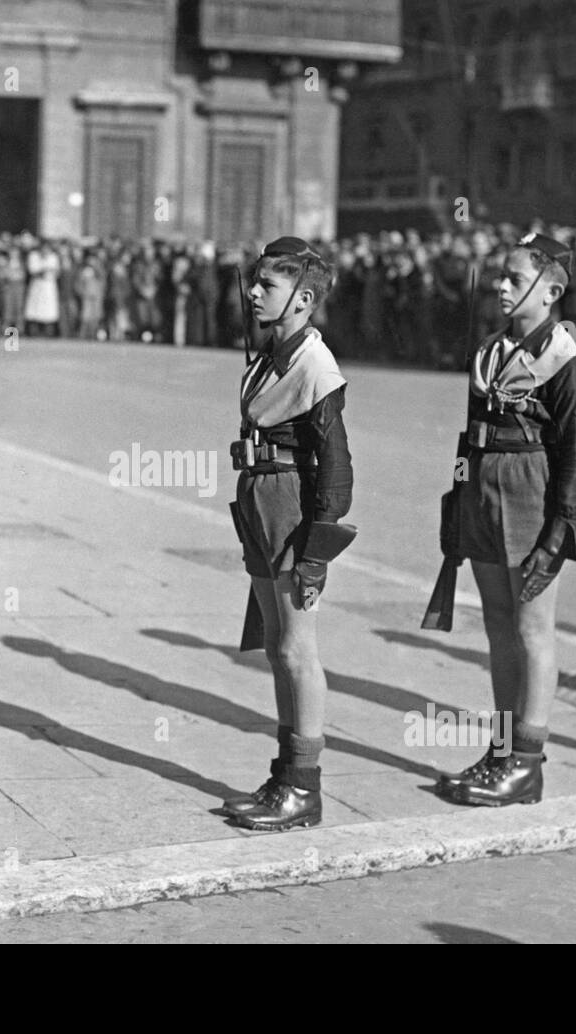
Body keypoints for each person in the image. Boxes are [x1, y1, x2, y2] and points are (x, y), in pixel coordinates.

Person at [432, 232, 576, 807]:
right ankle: (501, 749)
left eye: (515, 279)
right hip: (482, 490)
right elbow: (467, 436)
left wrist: (562, 529)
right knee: (498, 625)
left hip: (530, 496)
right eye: (501, 275)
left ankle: (527, 760)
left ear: (550, 291)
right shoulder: (490, 353)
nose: (501, 286)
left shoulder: (563, 360)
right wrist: (456, 500)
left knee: (531, 629)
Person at [223, 237, 355, 831]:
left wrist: (318, 549)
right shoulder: (273, 353)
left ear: (302, 301)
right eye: (254, 281)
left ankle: (306, 785)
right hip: (258, 494)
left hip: (290, 503)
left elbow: (335, 463)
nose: (253, 292)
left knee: (298, 649)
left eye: (267, 286)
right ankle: (286, 774)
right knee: (277, 647)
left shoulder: (314, 364)